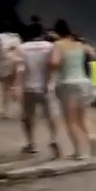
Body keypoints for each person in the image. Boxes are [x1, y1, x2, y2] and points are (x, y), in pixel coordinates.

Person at [51, 19, 96, 160]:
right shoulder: (80, 44)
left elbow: (54, 62)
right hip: (84, 83)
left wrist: (54, 68)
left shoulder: (58, 45)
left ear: (57, 32)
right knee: (83, 117)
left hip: (68, 84)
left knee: (70, 120)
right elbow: (95, 55)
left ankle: (79, 152)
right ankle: (91, 137)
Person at [14, 23, 62, 158]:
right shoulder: (51, 47)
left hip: (28, 87)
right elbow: (55, 64)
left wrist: (15, 86)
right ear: (42, 33)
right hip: (47, 87)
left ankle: (31, 143)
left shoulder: (22, 47)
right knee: (52, 115)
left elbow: (19, 68)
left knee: (28, 116)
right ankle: (54, 138)